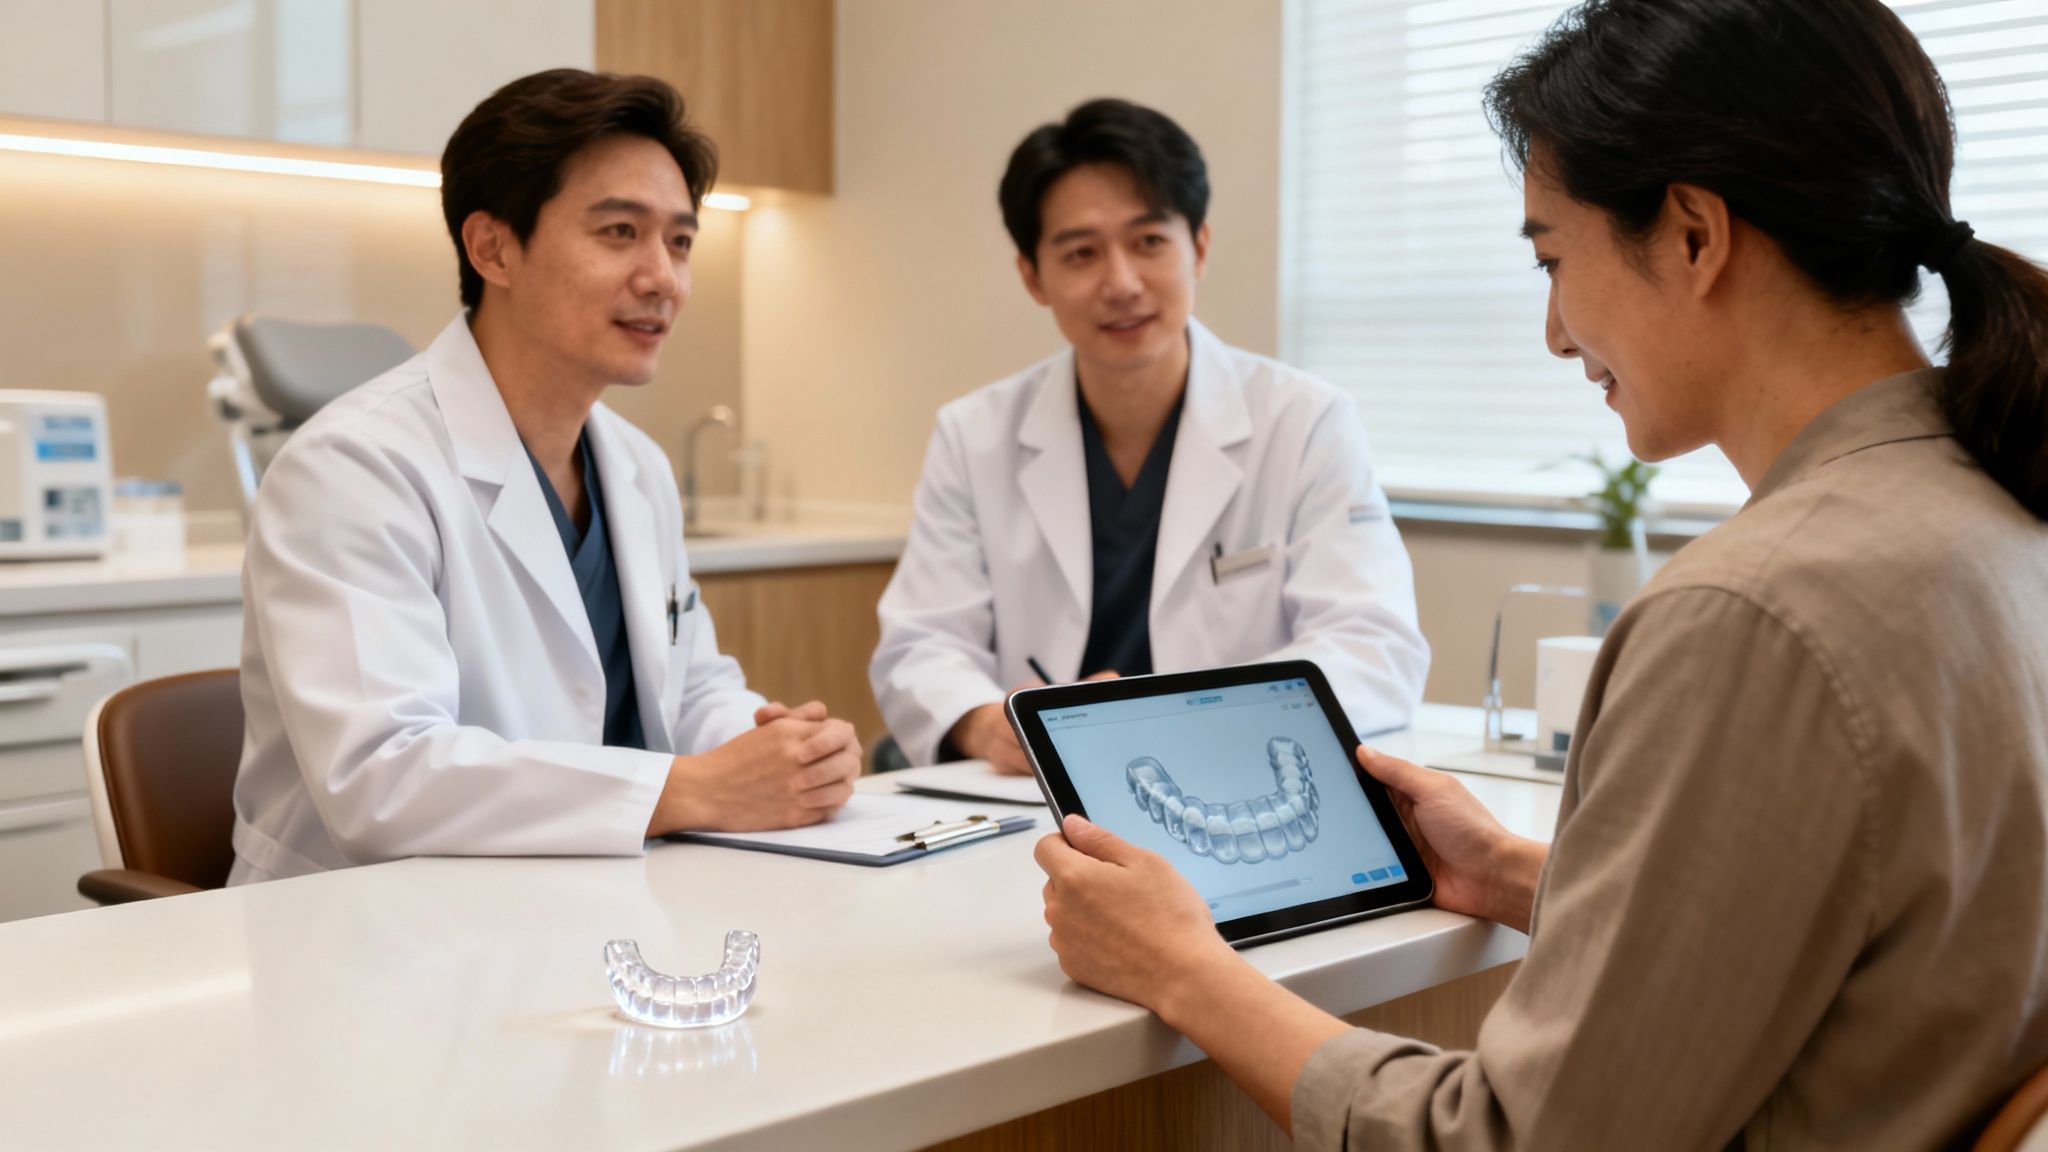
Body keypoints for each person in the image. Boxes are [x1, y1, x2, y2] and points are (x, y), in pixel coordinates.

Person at [1032, 2, 2048, 1147]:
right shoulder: (1997, 512)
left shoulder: (1752, 612)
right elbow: (1865, 928)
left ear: (1693, 237)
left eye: (1553, 259)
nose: (1555, 334)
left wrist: (1180, 968)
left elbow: (1508, 1139)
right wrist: (1521, 875)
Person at [229, 70, 860, 884]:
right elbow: (380, 780)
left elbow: (691, 688)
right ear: (492, 247)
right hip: (369, 933)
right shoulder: (352, 468)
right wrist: (693, 787)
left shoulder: (634, 465)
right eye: (619, 232)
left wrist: (782, 749)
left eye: (679, 241)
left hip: (585, 899)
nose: (663, 278)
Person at [870, 98, 1430, 774]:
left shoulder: (1305, 422)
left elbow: (1372, 646)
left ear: (1198, 246)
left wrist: (1174, 720)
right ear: (1032, 276)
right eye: (1080, 253)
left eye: (1149, 242)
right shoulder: (974, 434)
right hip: (1037, 790)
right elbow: (922, 643)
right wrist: (991, 726)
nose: (1122, 283)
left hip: (1238, 772)